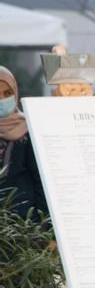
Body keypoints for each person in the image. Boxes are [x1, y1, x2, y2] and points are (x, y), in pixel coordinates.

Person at [0, 66, 46, 220]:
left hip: (23, 226)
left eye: (7, 94)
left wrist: (45, 226)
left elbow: (41, 180)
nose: (2, 99)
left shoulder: (29, 130)